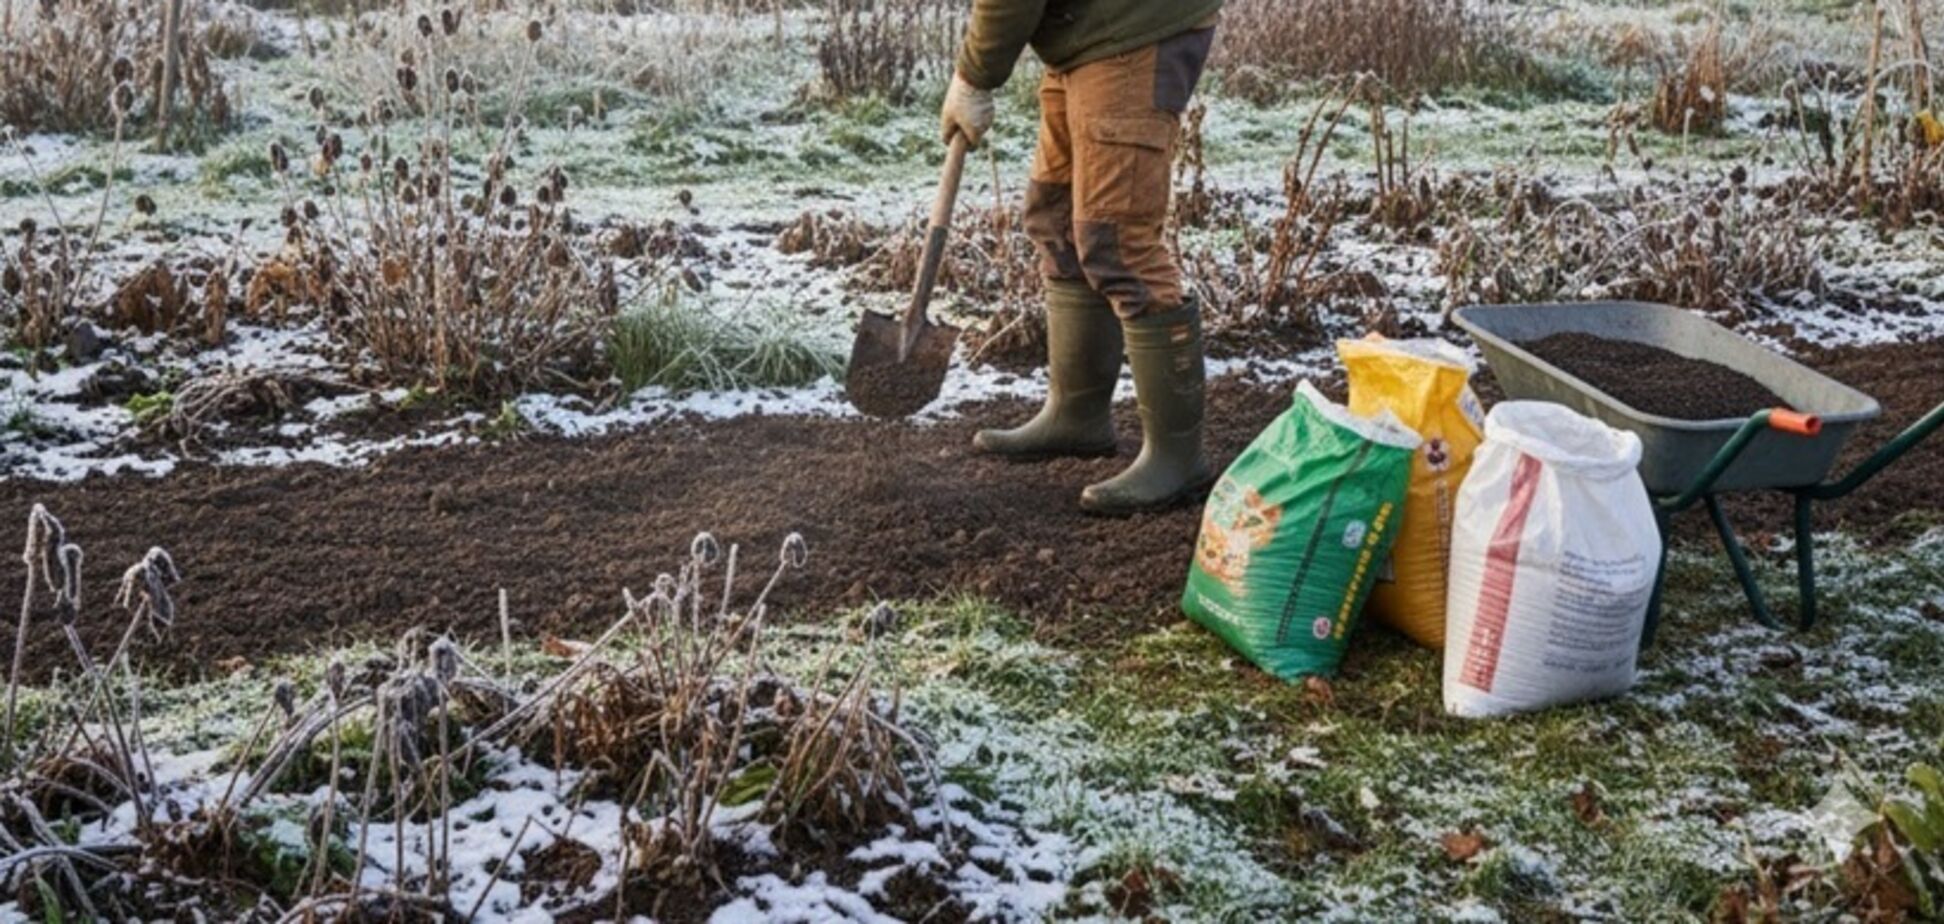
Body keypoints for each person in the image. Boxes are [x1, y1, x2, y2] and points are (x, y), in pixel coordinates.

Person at [940, 0, 1224, 516]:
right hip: (1085, 31)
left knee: (1118, 239)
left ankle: (1177, 457)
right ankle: (1077, 413)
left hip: (1132, 28)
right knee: (1056, 215)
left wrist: (974, 75)